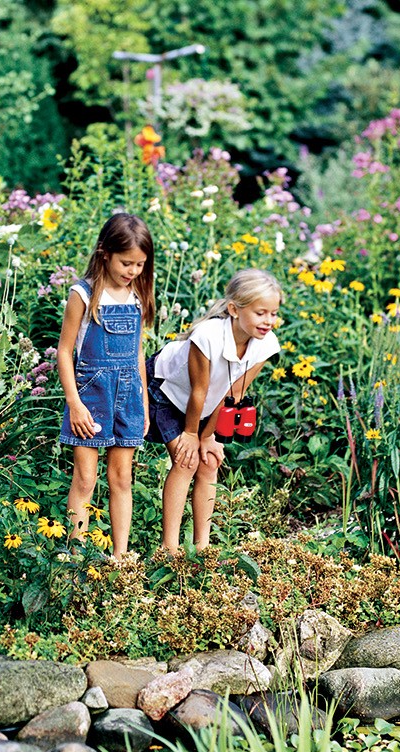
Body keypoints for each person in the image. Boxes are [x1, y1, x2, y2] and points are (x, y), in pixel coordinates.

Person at [146, 268, 283, 553]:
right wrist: (191, 432)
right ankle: (168, 549)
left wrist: (208, 436)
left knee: (209, 461)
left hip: (208, 403)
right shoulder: (208, 336)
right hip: (166, 390)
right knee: (186, 461)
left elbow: (234, 393)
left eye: (273, 313)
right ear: (234, 309)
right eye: (260, 313)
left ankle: (203, 548)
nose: (268, 321)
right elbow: (199, 390)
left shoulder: (266, 344)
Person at [55, 212, 155, 558]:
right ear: (105, 254)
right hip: (91, 398)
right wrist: (75, 403)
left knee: (122, 478)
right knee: (85, 479)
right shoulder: (83, 295)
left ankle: (120, 556)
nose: (133, 271)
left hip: (127, 396)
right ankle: (76, 556)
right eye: (127, 263)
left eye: (140, 265)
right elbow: (64, 351)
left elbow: (138, 353)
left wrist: (142, 400)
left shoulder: (136, 297)